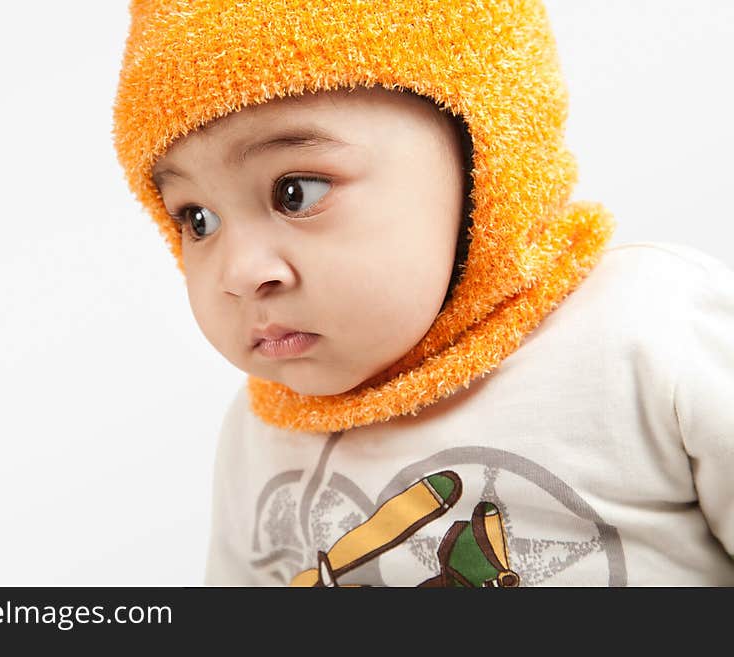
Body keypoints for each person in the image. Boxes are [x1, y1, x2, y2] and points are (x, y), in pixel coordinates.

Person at [112, 0, 734, 586]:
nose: (240, 272)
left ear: (485, 161)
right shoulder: (258, 437)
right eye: (197, 219)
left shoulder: (648, 332)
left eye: (296, 191)